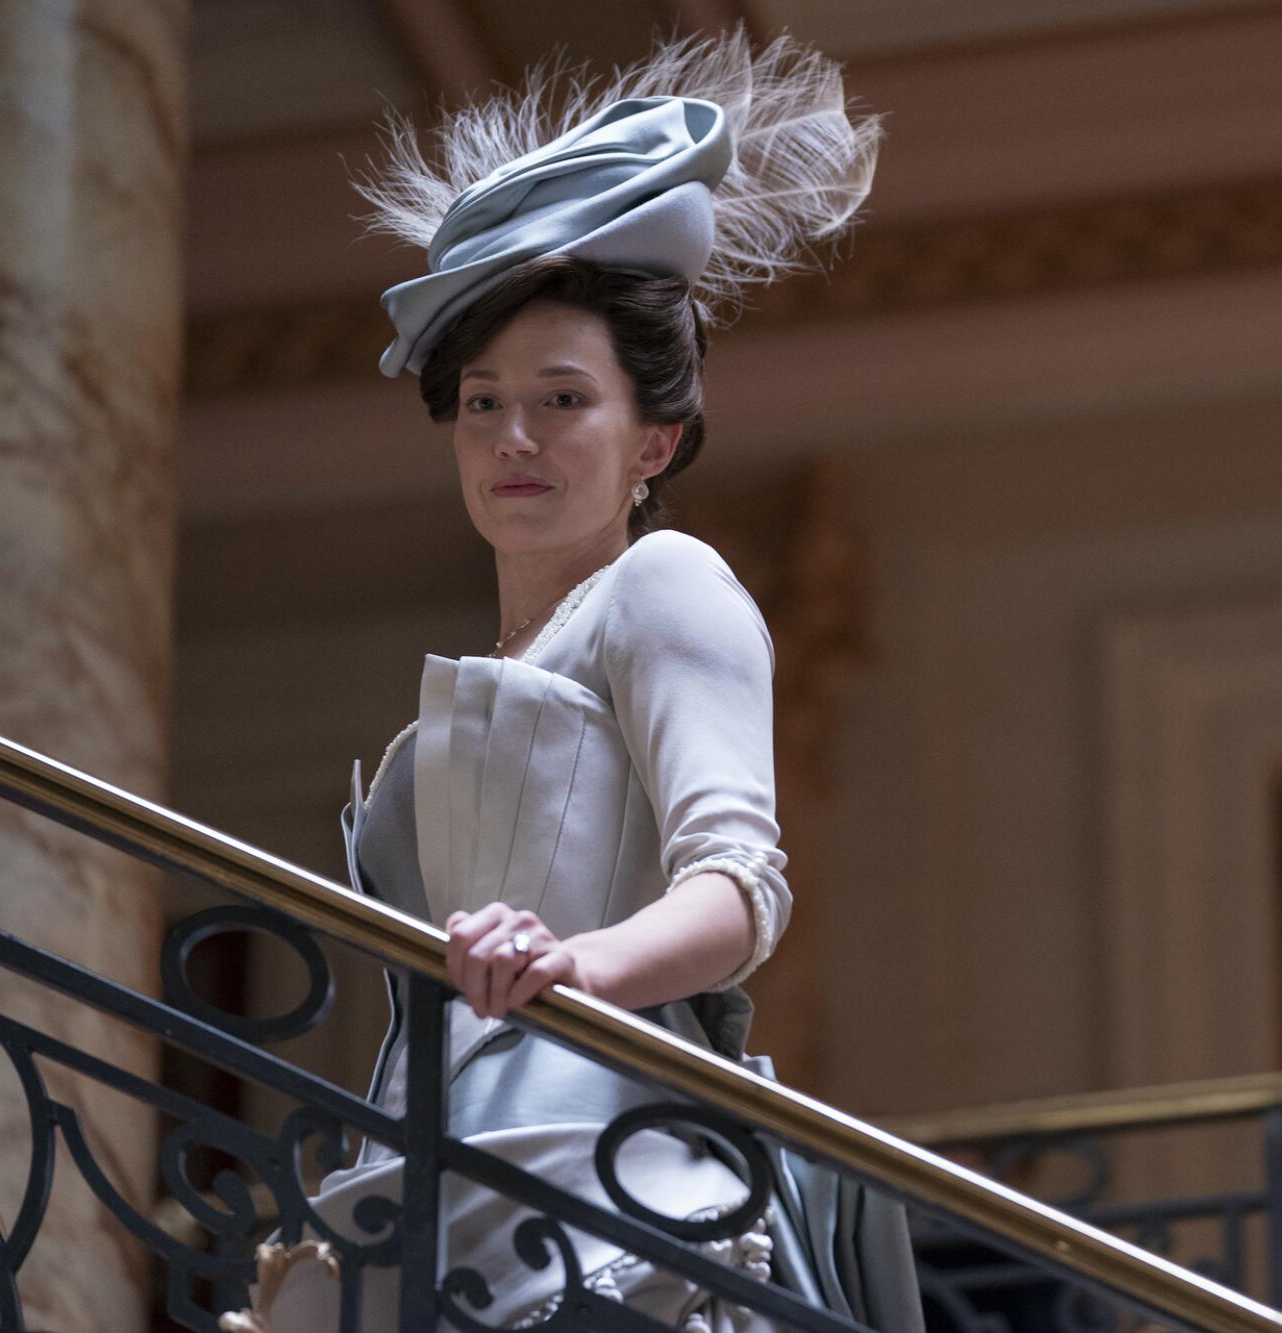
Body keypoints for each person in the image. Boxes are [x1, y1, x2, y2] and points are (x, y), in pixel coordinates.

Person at [258, 29, 920, 1331]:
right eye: (482, 402)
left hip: (605, 1176)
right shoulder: (471, 687)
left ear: (652, 437)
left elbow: (739, 892)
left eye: (563, 399)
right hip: (437, 1163)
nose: (513, 436)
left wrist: (575, 964)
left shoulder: (664, 583)